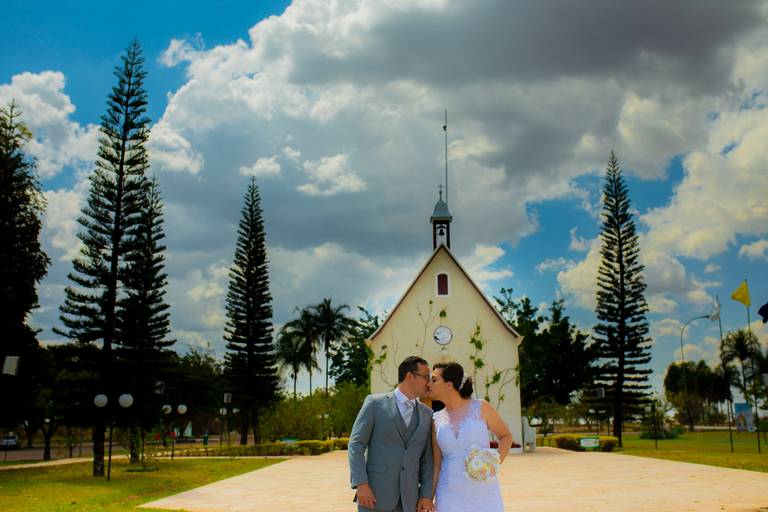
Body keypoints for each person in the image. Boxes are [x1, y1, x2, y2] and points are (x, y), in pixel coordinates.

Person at [349, 356, 436, 512]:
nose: (429, 383)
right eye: (426, 377)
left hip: (410, 500)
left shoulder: (427, 414)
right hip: (374, 496)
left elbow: (427, 460)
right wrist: (361, 483)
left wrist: (426, 495)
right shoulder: (374, 404)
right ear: (409, 376)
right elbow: (356, 445)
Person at [429, 362, 513, 512]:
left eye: (434, 380)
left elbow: (506, 436)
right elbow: (437, 465)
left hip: (482, 490)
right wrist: (429, 498)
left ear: (449, 385)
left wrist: (491, 465)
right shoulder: (436, 420)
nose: (429, 384)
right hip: (448, 493)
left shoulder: (481, 407)